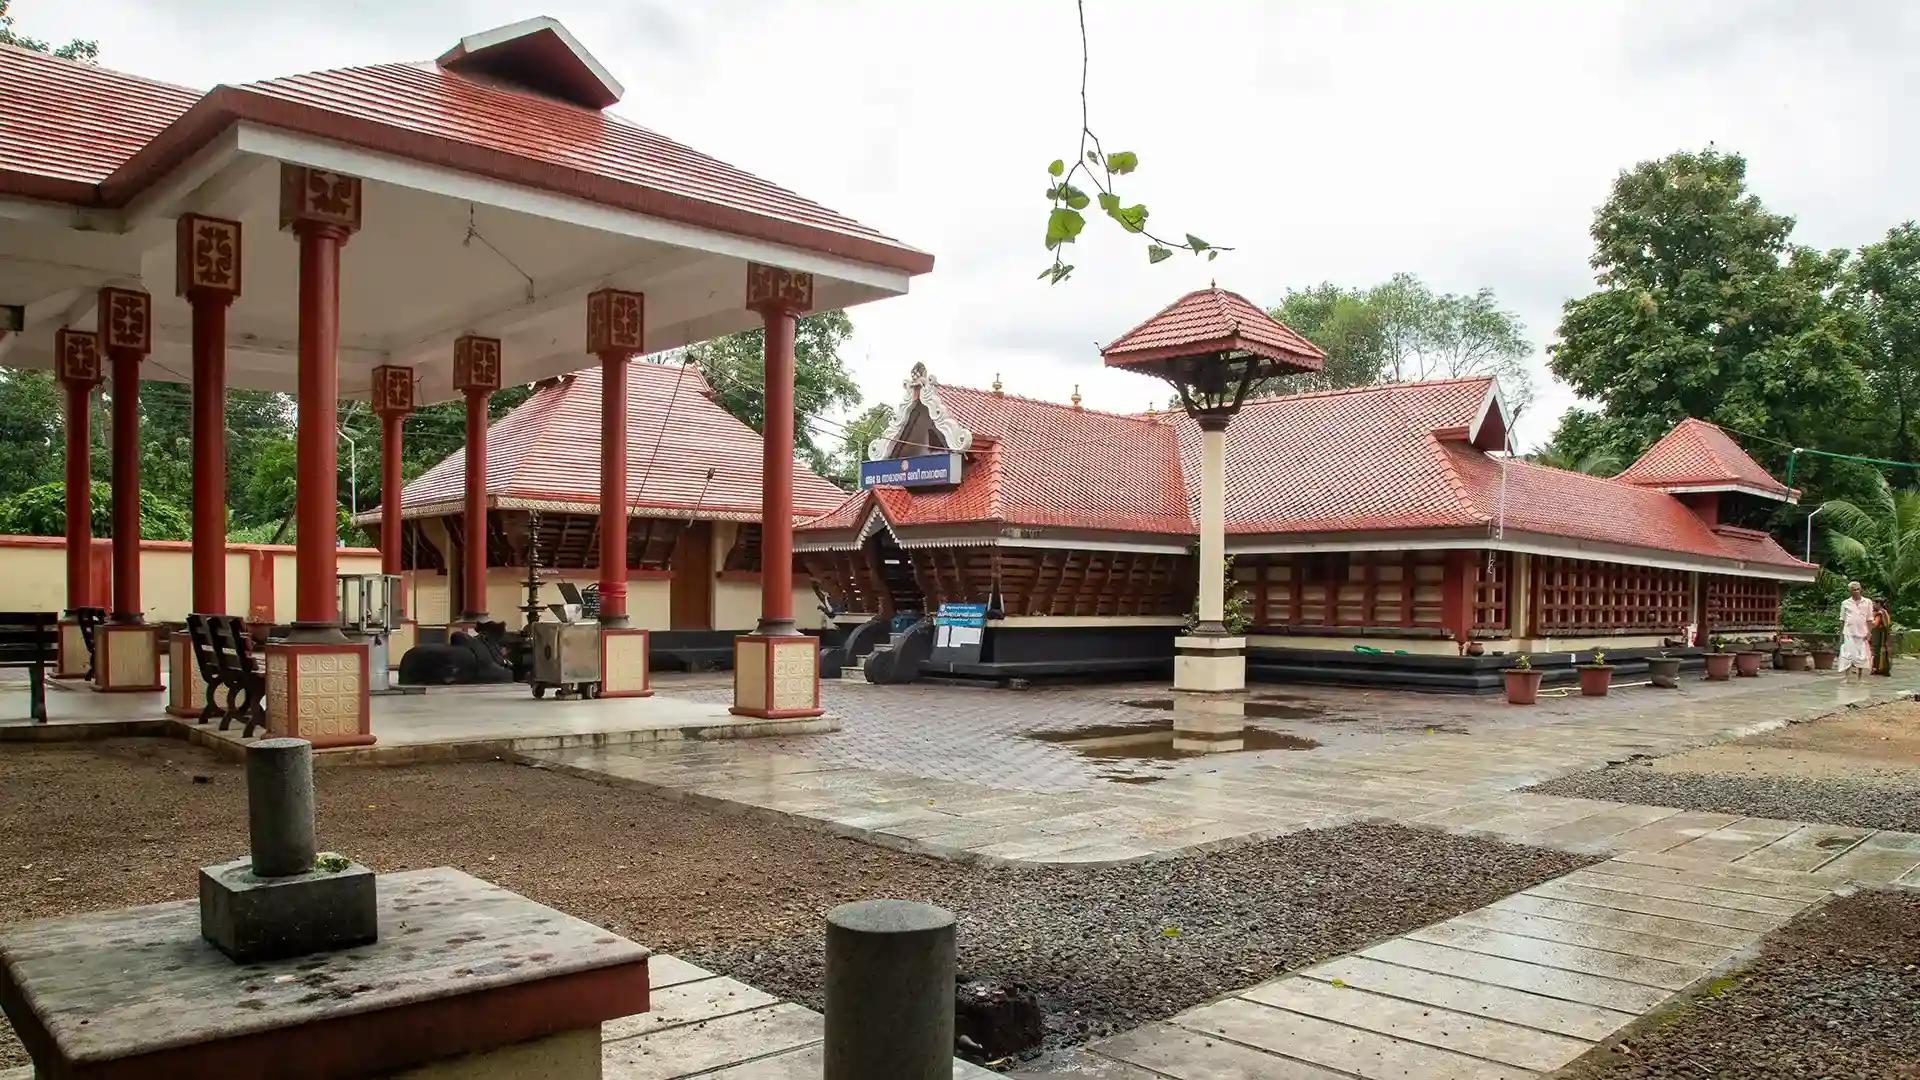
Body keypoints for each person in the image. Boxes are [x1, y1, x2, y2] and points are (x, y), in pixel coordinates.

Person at [1838, 581, 1874, 681]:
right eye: (1854, 590)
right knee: (1847, 654)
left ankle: (1860, 677)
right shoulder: (1845, 603)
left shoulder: (1867, 602)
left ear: (1861, 589)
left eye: (1858, 589)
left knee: (1861, 655)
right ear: (1850, 591)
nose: (1856, 591)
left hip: (1862, 633)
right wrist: (1841, 634)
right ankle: (1847, 677)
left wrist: (1869, 632)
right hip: (1848, 632)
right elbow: (1842, 620)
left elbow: (1870, 619)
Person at [1872, 597, 1894, 677]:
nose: (1873, 605)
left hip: (1880, 634)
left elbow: (1876, 624)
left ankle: (1878, 668)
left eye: (1874, 603)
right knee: (1883, 651)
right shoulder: (1884, 611)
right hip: (1884, 634)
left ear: (1878, 604)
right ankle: (1883, 668)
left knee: (1877, 651)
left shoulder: (1880, 613)